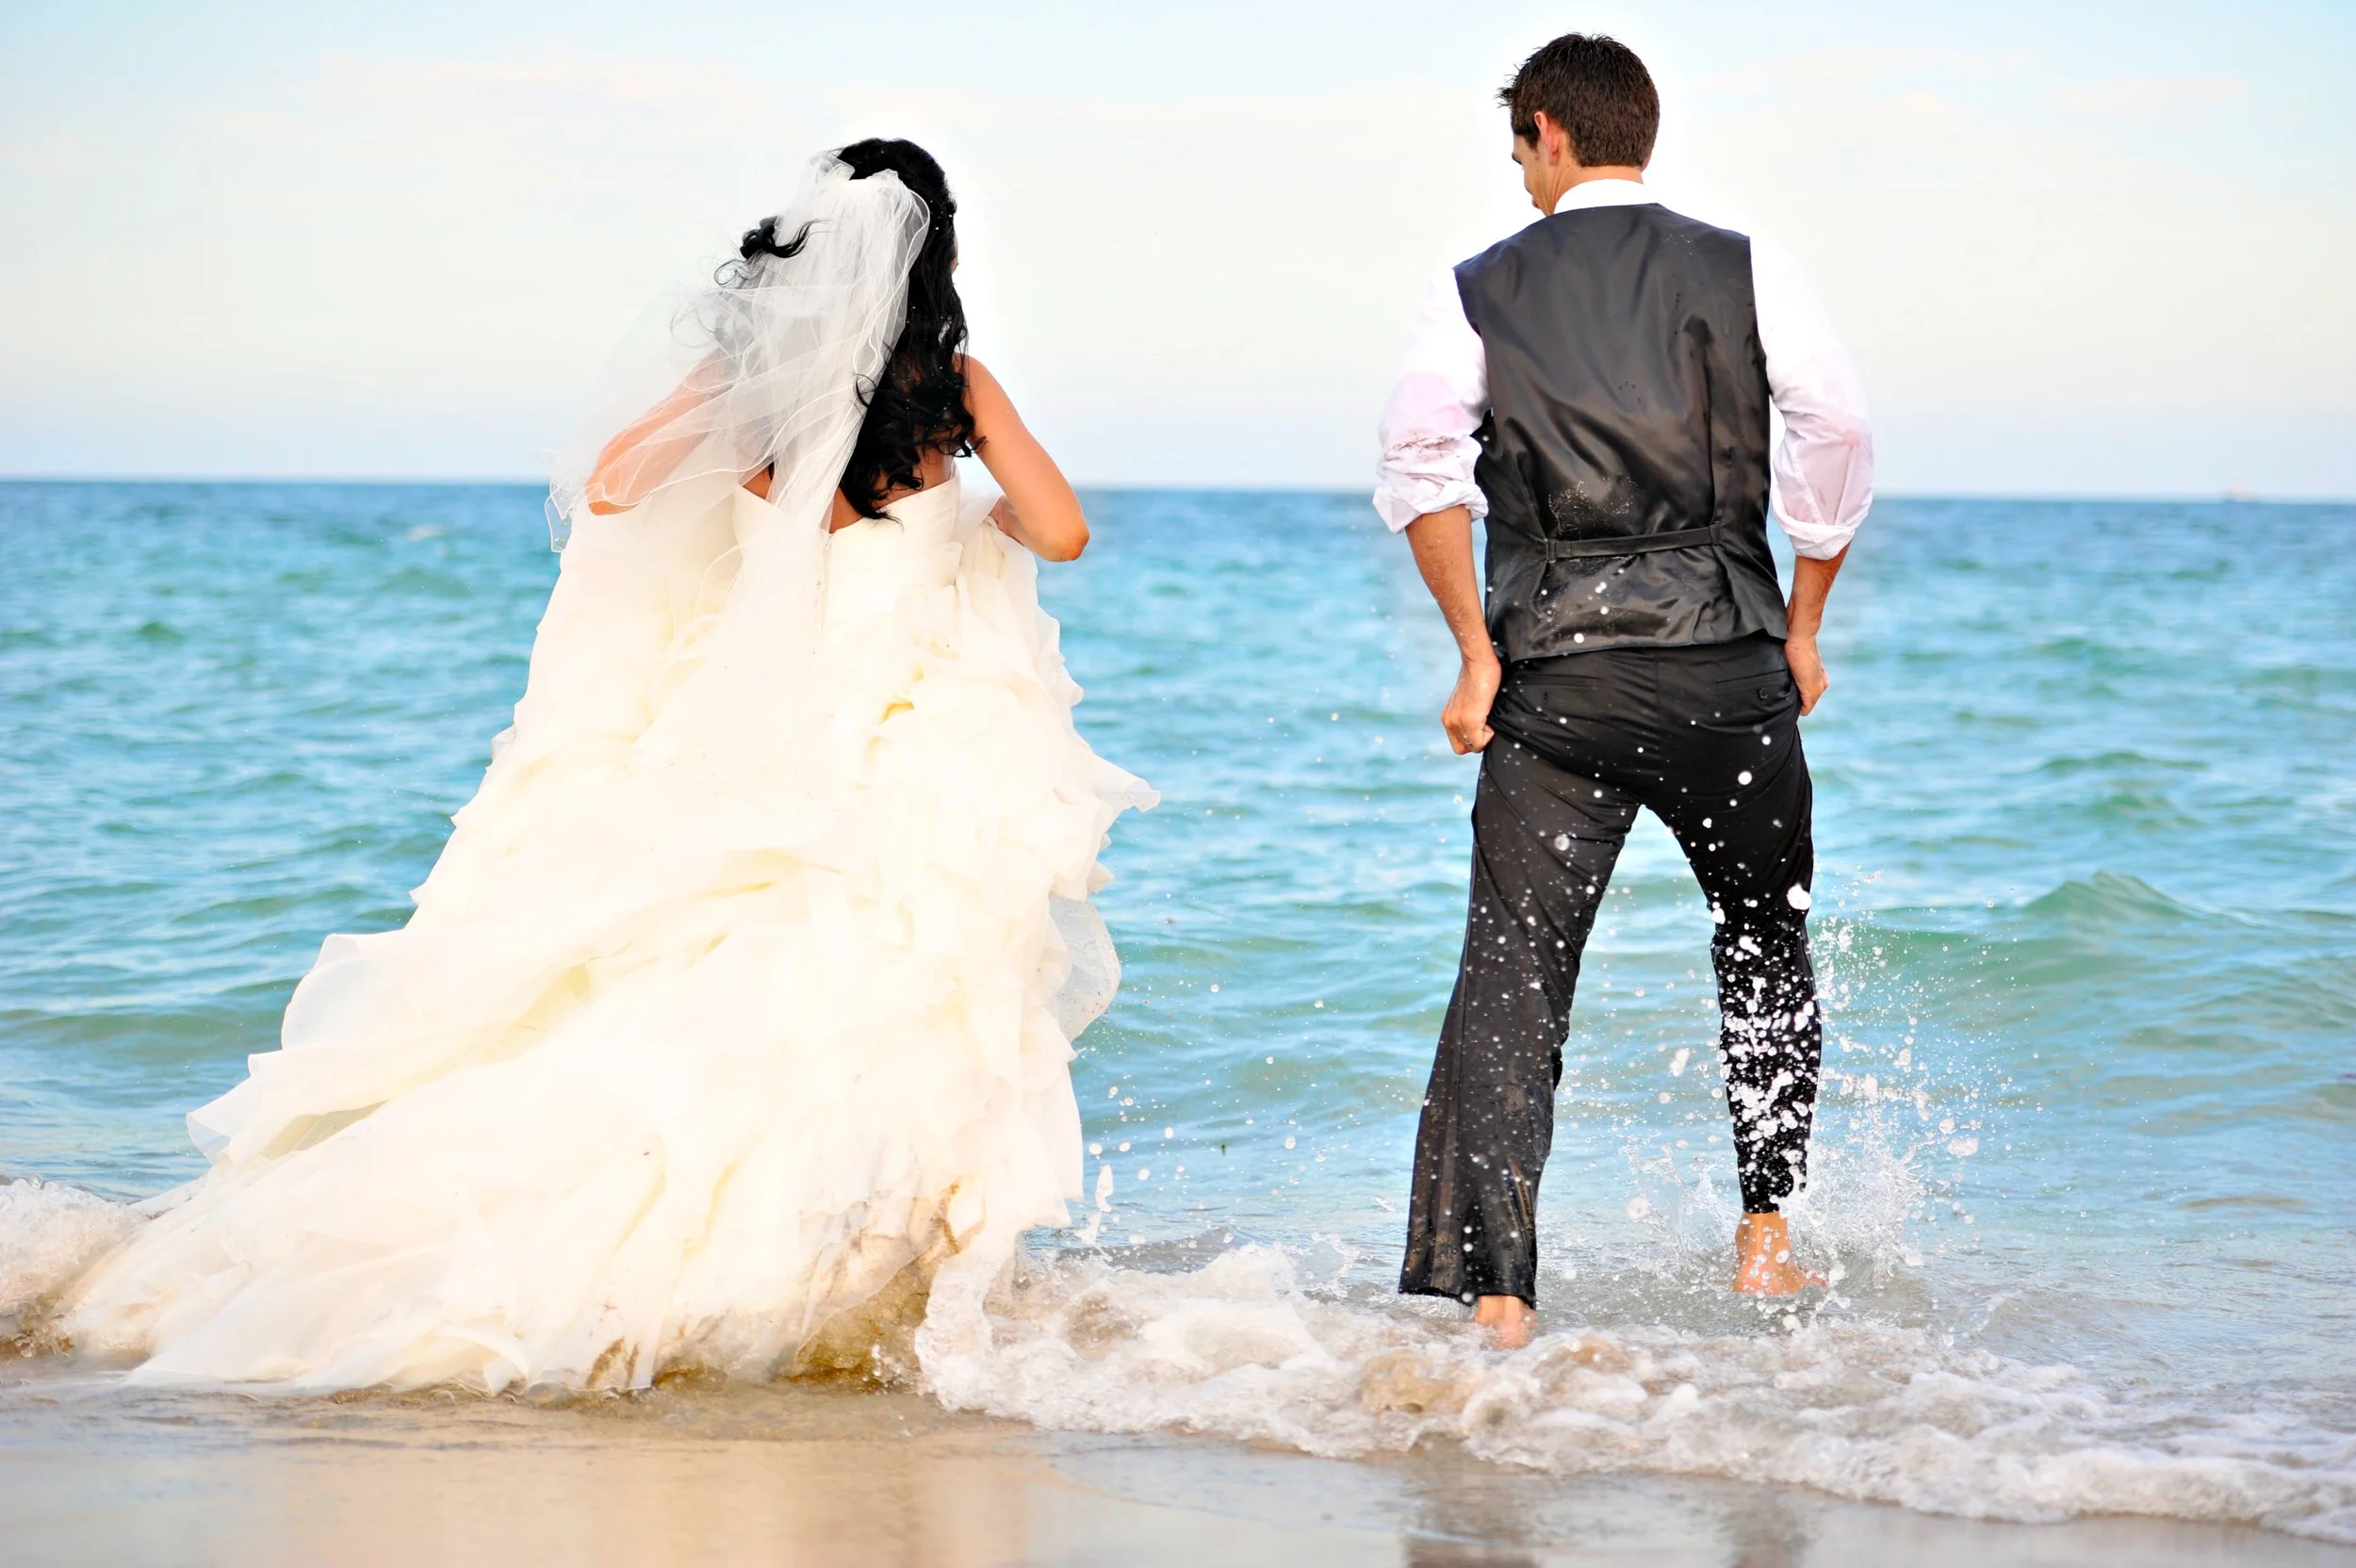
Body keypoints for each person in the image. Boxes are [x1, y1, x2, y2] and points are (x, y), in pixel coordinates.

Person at [60, 140, 1154, 1392]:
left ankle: (659, 1259)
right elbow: (1061, 529)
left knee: (676, 981)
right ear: (931, 255)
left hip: (745, 720)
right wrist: (987, 516)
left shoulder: (749, 383)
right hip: (906, 728)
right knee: (869, 995)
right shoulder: (951, 386)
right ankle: (845, 1290)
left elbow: (615, 488)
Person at [1378, 36, 1873, 1348]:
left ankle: (1498, 1300)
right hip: (1727, 665)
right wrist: (1802, 624)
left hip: (1557, 683)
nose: (1522, 175)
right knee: (1763, 940)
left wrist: (1478, 655)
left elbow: (1419, 468)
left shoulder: (1476, 287)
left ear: (1546, 132)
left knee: (1515, 976)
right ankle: (1765, 1242)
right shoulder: (1745, 264)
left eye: (1519, 150)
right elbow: (1838, 428)